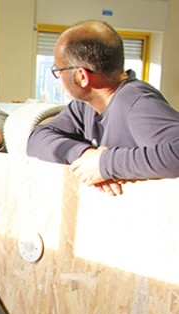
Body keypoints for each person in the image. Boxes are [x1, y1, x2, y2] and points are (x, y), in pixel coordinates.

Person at [27, 20, 179, 196]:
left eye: (59, 71)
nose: (59, 77)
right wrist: (84, 154)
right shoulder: (86, 106)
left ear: (81, 76)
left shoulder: (135, 102)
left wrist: (104, 164)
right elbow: (37, 139)